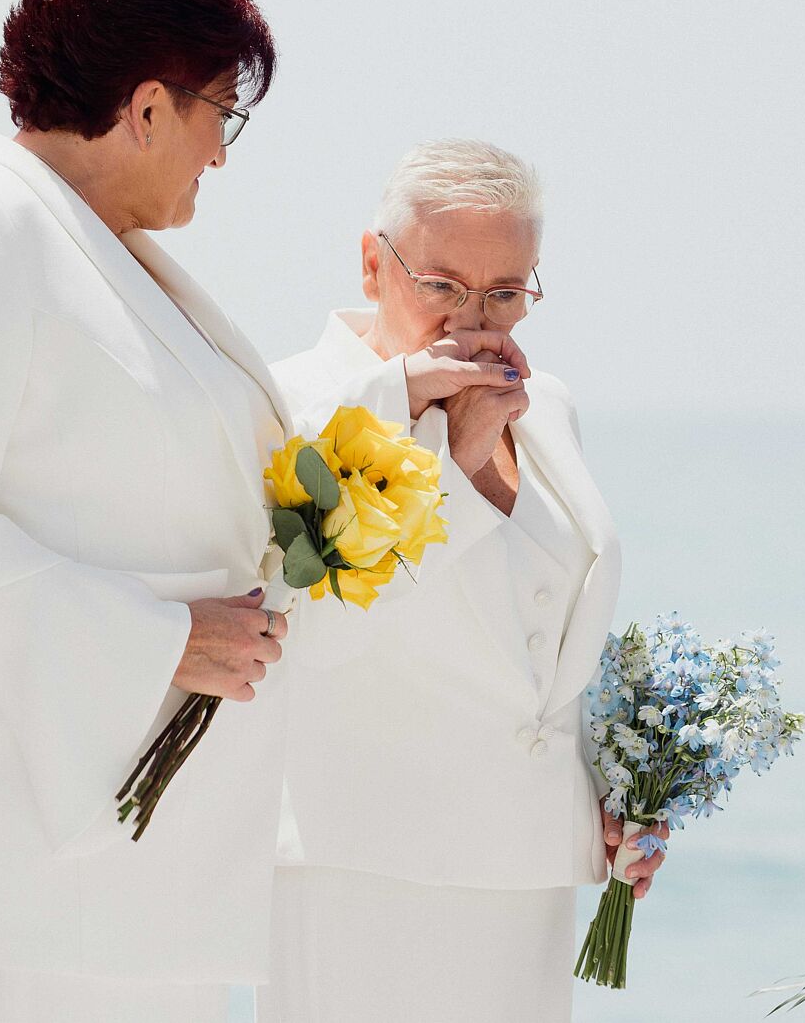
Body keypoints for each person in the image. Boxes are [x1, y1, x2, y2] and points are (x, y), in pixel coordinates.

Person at [0, 0, 305, 1021]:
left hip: (107, 855)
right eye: (219, 114)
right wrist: (162, 640)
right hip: (8, 844)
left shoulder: (92, 243)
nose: (222, 154)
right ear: (147, 107)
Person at [260, 139, 665, 1021]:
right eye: (442, 285)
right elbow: (310, 633)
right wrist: (458, 458)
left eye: (508, 291)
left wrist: (614, 790)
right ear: (374, 264)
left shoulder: (547, 403)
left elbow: (543, 634)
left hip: (526, 875)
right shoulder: (296, 404)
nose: (475, 320)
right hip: (358, 867)